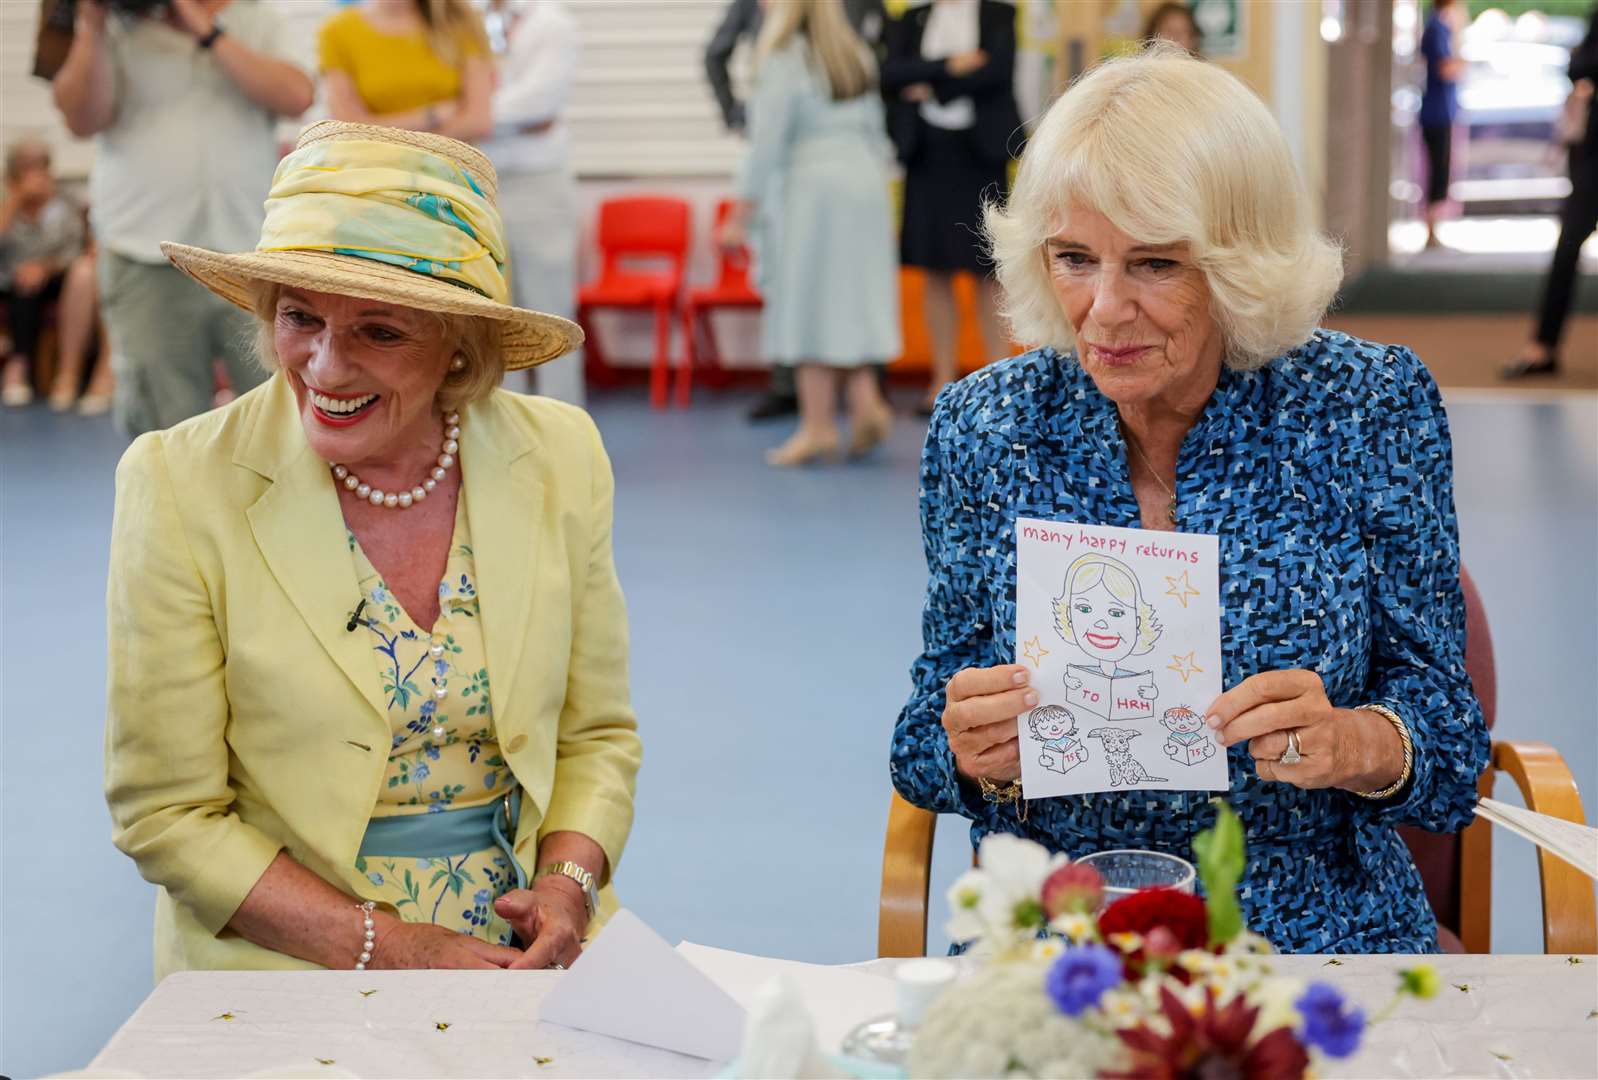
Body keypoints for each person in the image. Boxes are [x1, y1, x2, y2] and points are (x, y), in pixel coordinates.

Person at [890, 46, 1489, 954]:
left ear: (1239, 262)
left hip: (1310, 927)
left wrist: (1354, 742)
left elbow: (1450, 742)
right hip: (1064, 937)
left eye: (1156, 265)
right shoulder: (987, 425)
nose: (1103, 310)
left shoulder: (1368, 407)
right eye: (1074, 258)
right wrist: (970, 753)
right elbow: (921, 742)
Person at [104, 121, 642, 978]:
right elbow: (167, 814)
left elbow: (596, 735)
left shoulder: (560, 456)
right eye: (300, 317)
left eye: (379, 332)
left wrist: (568, 886)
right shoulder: (180, 483)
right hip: (291, 956)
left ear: (460, 345)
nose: (324, 365)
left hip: (536, 957)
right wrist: (388, 947)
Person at [50, 0, 313, 437]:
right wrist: (93, 25)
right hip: (143, 249)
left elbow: (296, 96)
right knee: (163, 429)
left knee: (282, 418)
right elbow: (82, 118)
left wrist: (203, 26)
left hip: (250, 248)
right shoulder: (109, 22)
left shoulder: (256, 18)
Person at [720, 0, 900, 466]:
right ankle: (866, 406)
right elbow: (878, 131)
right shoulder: (855, 51)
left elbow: (766, 143)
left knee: (806, 303)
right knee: (849, 301)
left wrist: (742, 211)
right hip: (864, 182)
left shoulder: (783, 57)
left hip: (812, 189)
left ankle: (818, 427)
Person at [882, 0, 1022, 415]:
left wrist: (931, 83)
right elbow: (891, 75)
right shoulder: (912, 18)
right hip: (928, 156)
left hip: (979, 155)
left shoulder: (1000, 14)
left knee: (989, 270)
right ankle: (941, 379)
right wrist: (950, 67)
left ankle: (1002, 379)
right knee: (935, 269)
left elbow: (996, 72)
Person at [478, 0, 584, 406]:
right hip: (479, 179)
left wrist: (471, 113)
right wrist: (473, 113)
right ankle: (504, 425)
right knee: (492, 313)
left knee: (551, 310)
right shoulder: (466, 22)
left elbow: (541, 102)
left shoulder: (551, 23)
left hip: (538, 182)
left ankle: (567, 425)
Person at [1504, 6, 1597, 379]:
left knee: (1568, 247)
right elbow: (1579, 67)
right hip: (1593, 158)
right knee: (1568, 246)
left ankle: (1543, 346)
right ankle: (1543, 346)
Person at [0, 137, 107, 413]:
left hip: (58, 276)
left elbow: (75, 250)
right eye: (27, 167)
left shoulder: (64, 203)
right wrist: (16, 200)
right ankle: (18, 366)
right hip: (12, 280)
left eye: (41, 166)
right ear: (13, 173)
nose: (36, 173)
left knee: (79, 277)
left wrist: (44, 267)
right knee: (24, 286)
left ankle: (71, 375)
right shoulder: (5, 203)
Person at [320, 0, 493, 142]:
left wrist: (379, 130)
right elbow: (348, 128)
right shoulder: (336, 32)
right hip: (376, 171)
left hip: (455, 171)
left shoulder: (460, 22)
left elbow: (478, 121)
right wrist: (430, 116)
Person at [1418, 0, 1466, 250]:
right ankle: (1431, 230)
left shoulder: (1439, 26)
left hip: (1442, 111)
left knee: (1441, 171)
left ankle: (1434, 228)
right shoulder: (1437, 27)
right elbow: (1447, 68)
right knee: (1438, 170)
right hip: (1436, 113)